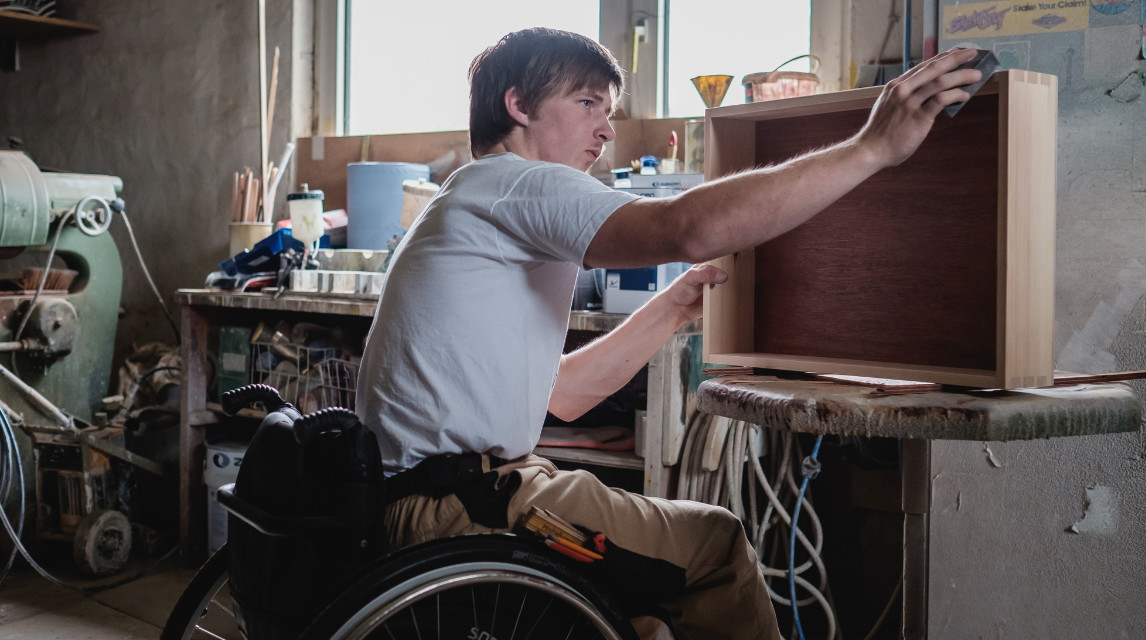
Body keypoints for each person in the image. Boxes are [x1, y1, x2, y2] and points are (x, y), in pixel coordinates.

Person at [356, 27, 982, 640]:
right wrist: (871, 147)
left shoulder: (474, 200)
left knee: (651, 624)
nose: (606, 130)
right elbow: (687, 227)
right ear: (517, 105)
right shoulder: (515, 182)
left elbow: (566, 393)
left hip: (452, 496)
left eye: (610, 111)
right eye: (586, 104)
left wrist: (674, 308)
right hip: (468, 507)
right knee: (715, 547)